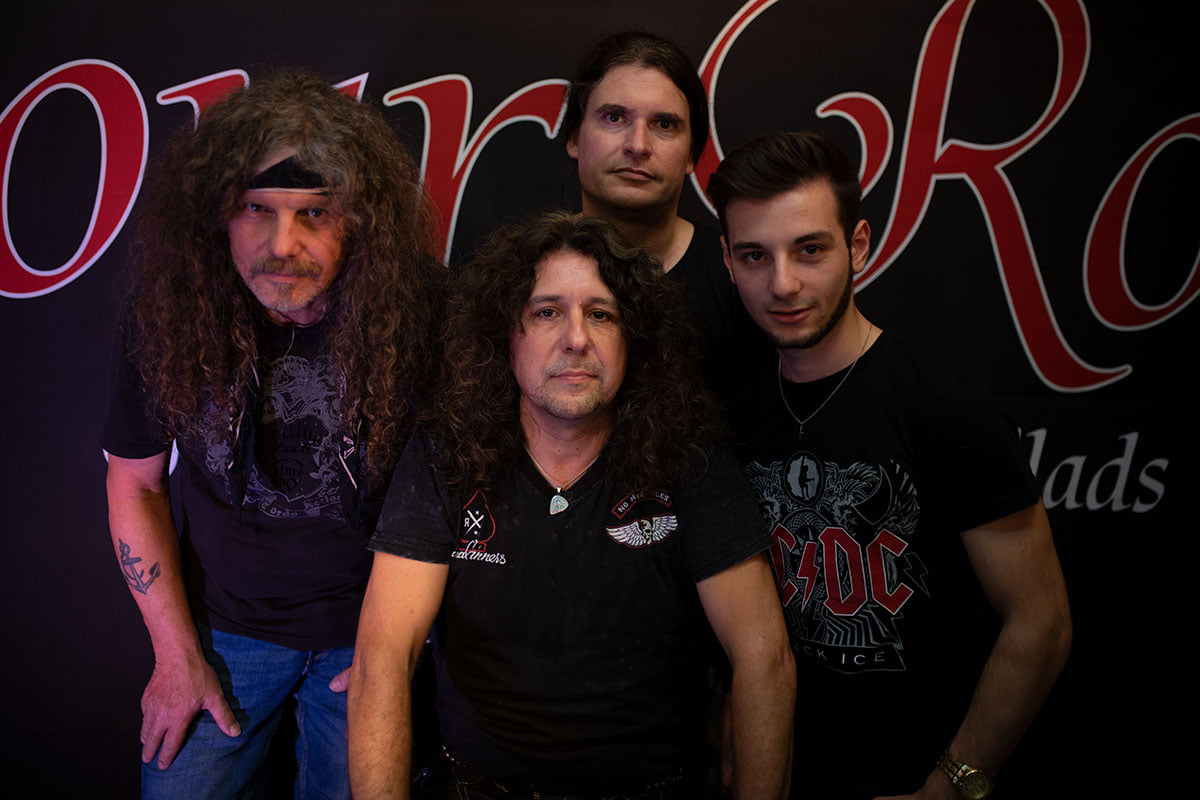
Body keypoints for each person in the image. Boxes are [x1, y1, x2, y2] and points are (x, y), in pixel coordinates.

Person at [347, 211, 794, 799]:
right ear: (505, 335)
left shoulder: (689, 457)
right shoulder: (446, 451)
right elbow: (383, 656)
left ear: (634, 339)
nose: (577, 338)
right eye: (547, 312)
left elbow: (764, 658)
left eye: (601, 314)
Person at [101, 69, 443, 798]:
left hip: (368, 630)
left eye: (315, 213)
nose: (283, 244)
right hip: (220, 631)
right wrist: (175, 654)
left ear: (359, 220)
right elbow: (134, 482)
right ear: (218, 215)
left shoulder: (422, 309)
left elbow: (458, 492)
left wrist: (396, 646)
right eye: (256, 208)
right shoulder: (170, 308)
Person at [706, 132, 1072, 800]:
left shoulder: (946, 408)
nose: (782, 283)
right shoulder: (733, 416)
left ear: (859, 246)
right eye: (755, 255)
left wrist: (954, 782)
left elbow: (1040, 621)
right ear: (728, 260)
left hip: (907, 778)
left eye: (810, 249)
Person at [561, 30, 766, 399]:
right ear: (574, 137)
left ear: (692, 155)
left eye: (664, 124)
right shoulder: (520, 271)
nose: (638, 145)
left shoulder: (740, 280)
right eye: (614, 117)